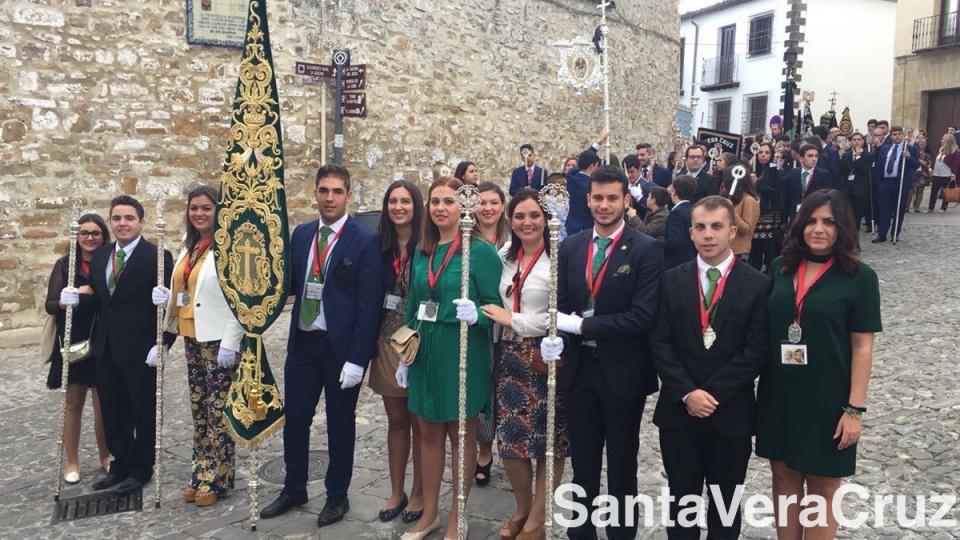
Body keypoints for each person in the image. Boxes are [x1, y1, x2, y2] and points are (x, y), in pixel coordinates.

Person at [260, 165, 384, 527]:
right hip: (303, 344)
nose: (329, 198)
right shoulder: (301, 235)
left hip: (340, 349)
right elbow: (288, 285)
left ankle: (336, 495)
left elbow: (369, 303)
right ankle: (293, 486)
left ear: (348, 196)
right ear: (315, 193)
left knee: (340, 423)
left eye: (336, 192)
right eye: (323, 191)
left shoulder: (364, 240)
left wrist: (358, 358)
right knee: (295, 418)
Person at [756, 189, 882, 539]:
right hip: (779, 394)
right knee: (783, 481)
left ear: (843, 227)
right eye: (811, 221)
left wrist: (854, 409)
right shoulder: (780, 268)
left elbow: (862, 347)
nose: (818, 229)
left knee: (824, 487)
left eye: (828, 222)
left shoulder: (860, 277)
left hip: (829, 398)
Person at [552, 165, 663, 540]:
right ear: (588, 200)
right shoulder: (571, 246)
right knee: (582, 464)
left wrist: (583, 327)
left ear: (625, 200)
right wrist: (556, 338)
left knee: (621, 465)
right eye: (597, 198)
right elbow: (564, 305)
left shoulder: (647, 249)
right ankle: (580, 533)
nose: (604, 205)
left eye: (612, 198)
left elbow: (642, 317)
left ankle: (620, 534)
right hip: (580, 371)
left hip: (623, 373)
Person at [651, 195, 770, 540]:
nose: (708, 234)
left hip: (730, 413)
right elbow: (660, 343)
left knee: (725, 506)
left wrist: (711, 393)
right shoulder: (672, 279)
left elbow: (755, 352)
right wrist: (688, 392)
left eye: (717, 226)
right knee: (682, 504)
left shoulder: (757, 284)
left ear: (732, 230)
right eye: (700, 227)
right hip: (679, 412)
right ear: (690, 233)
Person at [397, 176, 502, 540]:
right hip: (425, 349)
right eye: (435, 201)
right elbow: (412, 305)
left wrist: (479, 314)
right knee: (427, 432)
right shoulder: (424, 250)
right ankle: (429, 513)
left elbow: (496, 307)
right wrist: (403, 354)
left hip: (462, 349)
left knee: (461, 433)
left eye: (449, 201)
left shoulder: (480, 252)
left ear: (464, 206)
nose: (440, 207)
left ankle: (458, 514)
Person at [59, 195, 175, 495]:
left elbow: (171, 305)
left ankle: (141, 468)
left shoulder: (158, 257)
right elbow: (100, 300)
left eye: (129, 218)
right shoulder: (102, 255)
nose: (122, 223)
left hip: (141, 348)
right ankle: (120, 462)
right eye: (117, 218)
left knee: (142, 410)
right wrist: (74, 299)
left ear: (141, 222)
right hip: (107, 347)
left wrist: (163, 343)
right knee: (112, 410)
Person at [479, 188, 569, 540]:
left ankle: (537, 520)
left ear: (546, 219)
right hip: (510, 358)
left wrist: (511, 319)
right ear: (510, 220)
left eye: (534, 215)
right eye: (519, 216)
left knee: (550, 441)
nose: (527, 222)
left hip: (546, 357)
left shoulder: (558, 257)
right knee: (513, 442)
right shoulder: (505, 257)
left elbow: (557, 315)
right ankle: (521, 507)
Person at [151, 185, 244, 506]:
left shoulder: (228, 247)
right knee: (200, 411)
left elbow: (240, 299)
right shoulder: (188, 246)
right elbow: (181, 293)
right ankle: (200, 472)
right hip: (192, 338)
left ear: (218, 211)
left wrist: (232, 341)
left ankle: (218, 479)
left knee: (219, 413)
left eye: (206, 208)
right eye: (194, 208)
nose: (200, 213)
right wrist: (165, 338)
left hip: (219, 342)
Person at [368, 180, 425, 524]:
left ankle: (420, 491)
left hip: (419, 342)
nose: (399, 207)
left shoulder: (428, 246)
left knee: (422, 423)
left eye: (405, 201)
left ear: (416, 206)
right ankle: (396, 490)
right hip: (386, 340)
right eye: (393, 201)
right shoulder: (378, 246)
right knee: (397, 421)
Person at [45, 213, 112, 484]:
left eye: (95, 233)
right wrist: (64, 300)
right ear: (76, 237)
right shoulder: (65, 265)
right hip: (72, 341)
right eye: (84, 233)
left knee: (103, 405)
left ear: (103, 236)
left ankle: (105, 455)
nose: (90, 238)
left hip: (100, 341)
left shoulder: (107, 264)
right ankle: (71, 461)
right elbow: (50, 304)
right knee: (73, 404)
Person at [473, 181, 508, 488]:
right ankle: (484, 452)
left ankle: (510, 447)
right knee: (483, 387)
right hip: (478, 324)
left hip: (510, 325)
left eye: (493, 202)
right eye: (482, 202)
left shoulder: (514, 239)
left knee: (506, 388)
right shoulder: (465, 238)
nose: (487, 208)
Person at [872, 126, 919, 243]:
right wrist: (879, 183)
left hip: (900, 182)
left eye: (899, 134)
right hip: (886, 182)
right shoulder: (885, 148)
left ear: (902, 135)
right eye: (894, 134)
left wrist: (909, 157)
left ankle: (895, 234)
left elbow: (916, 165)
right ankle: (882, 234)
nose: (897, 136)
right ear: (891, 136)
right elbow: (880, 165)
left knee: (899, 209)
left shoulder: (909, 149)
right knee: (884, 209)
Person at [565, 129, 609, 237]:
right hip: (586, 228)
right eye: (596, 166)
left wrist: (598, 142)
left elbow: (581, 163)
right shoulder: (592, 185)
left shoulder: (571, 177)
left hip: (571, 226)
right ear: (591, 166)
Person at [749, 143, 785, 271]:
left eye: (766, 152)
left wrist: (758, 183)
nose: (763, 155)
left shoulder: (776, 171)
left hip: (769, 216)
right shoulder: (752, 170)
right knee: (755, 252)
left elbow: (777, 192)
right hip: (754, 216)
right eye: (760, 152)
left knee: (770, 252)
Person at [784, 144, 836, 224]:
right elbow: (787, 195)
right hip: (795, 214)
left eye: (816, 156)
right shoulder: (793, 173)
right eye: (810, 156)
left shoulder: (824, 175)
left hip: (814, 213)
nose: (814, 159)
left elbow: (825, 196)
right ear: (801, 159)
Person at [721, 162, 760, 261]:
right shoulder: (732, 199)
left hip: (738, 252)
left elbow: (747, 229)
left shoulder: (749, 201)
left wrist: (732, 211)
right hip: (725, 249)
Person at [839, 132, 875, 231]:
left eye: (859, 139)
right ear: (851, 141)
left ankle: (855, 232)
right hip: (848, 188)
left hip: (860, 188)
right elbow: (843, 169)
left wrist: (858, 158)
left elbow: (864, 170)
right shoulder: (847, 155)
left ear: (863, 141)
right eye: (854, 140)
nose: (857, 142)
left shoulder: (868, 155)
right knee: (846, 213)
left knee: (857, 214)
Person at [664, 175, 698, 269]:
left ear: (674, 191)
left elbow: (674, 242)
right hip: (690, 259)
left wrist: (655, 244)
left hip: (676, 263)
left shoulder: (677, 213)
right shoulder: (693, 209)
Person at [929, 133, 960, 212]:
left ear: (948, 141)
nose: (941, 140)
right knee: (933, 192)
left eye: (943, 139)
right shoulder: (941, 149)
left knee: (946, 192)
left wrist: (953, 174)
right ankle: (931, 208)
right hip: (937, 174)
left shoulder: (955, 151)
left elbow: (956, 164)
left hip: (947, 175)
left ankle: (943, 208)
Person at [475, 182, 510, 250]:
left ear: (503, 206)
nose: (488, 208)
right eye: (482, 203)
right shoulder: (464, 236)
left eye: (494, 203)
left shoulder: (514, 236)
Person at [910, 134, 933, 212]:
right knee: (910, 190)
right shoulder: (913, 150)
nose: (922, 143)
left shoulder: (928, 154)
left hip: (923, 174)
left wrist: (923, 163)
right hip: (913, 172)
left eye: (924, 142)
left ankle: (917, 207)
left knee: (920, 191)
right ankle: (907, 207)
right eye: (921, 142)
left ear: (927, 145)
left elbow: (929, 164)